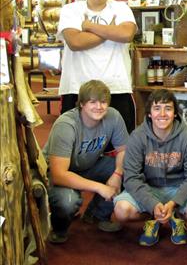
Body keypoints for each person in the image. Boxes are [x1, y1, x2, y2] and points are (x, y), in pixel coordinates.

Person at [113, 89, 187, 246]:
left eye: (168, 108)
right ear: (149, 113)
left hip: (179, 187)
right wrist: (152, 204)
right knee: (122, 210)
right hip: (149, 187)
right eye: (157, 108)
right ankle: (153, 218)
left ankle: (176, 217)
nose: (162, 114)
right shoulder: (137, 137)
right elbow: (131, 177)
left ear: (175, 113)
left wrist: (174, 203)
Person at [44, 80, 128, 244]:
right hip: (58, 173)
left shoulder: (113, 116)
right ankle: (59, 228)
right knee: (68, 202)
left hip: (89, 165)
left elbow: (124, 150)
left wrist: (117, 173)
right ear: (81, 103)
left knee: (129, 170)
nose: (99, 106)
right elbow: (59, 174)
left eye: (103, 102)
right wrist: (100, 188)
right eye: (93, 102)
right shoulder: (66, 125)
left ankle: (96, 215)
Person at [57, 0, 137, 135]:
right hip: (77, 88)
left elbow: (126, 34)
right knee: (74, 140)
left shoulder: (122, 8)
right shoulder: (70, 10)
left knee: (121, 143)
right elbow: (76, 42)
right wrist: (111, 30)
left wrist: (89, 26)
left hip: (117, 88)